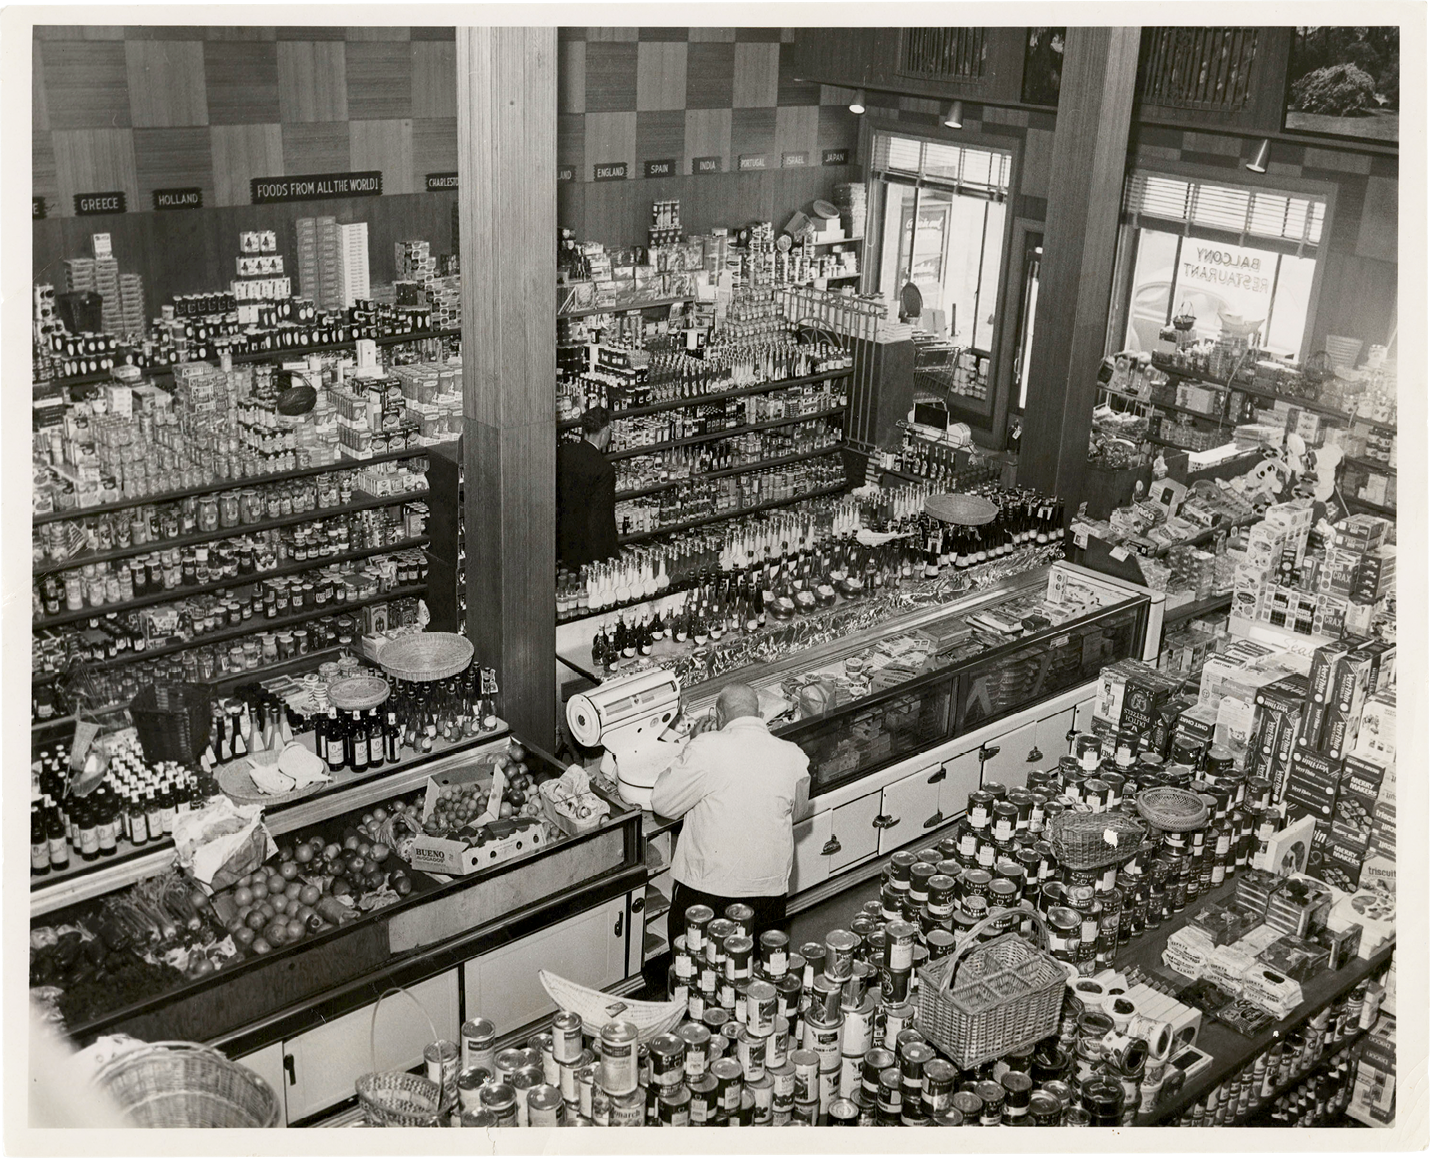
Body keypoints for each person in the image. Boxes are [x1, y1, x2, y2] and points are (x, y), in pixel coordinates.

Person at [650, 683, 812, 945]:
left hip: (707, 894)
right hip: (768, 896)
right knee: (759, 964)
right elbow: (798, 814)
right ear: (759, 714)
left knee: (694, 964)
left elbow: (662, 803)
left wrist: (692, 745)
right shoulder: (795, 756)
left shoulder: (705, 748)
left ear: (719, 715)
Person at [556, 406, 618, 569]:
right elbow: (601, 517)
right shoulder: (604, 469)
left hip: (563, 538)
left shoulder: (564, 452)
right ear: (605, 431)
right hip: (588, 548)